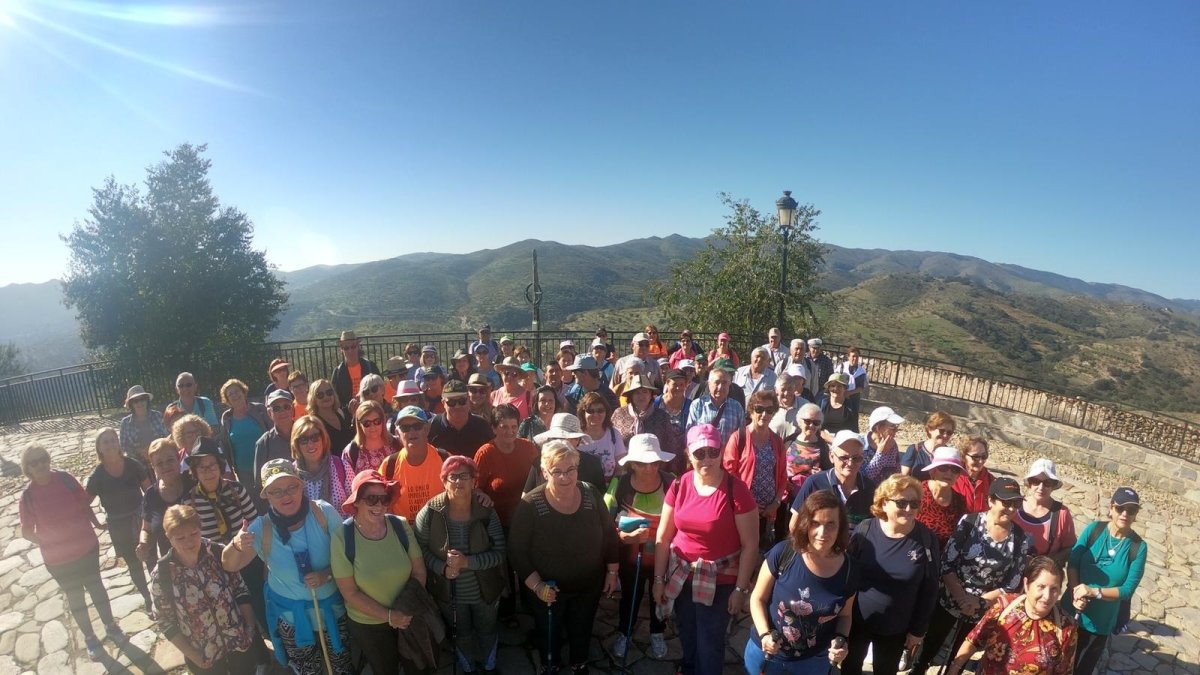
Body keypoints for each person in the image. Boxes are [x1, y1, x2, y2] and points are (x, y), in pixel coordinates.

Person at [222, 460, 353, 675]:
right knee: (307, 671)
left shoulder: (323, 512)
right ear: (267, 496)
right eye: (276, 491)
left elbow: (348, 555)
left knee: (341, 668)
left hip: (332, 613)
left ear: (301, 485)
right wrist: (235, 546)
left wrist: (326, 575)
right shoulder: (261, 527)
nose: (286, 495)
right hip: (292, 619)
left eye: (291, 487)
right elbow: (229, 564)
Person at [652, 424, 758, 675]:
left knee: (709, 643)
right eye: (700, 453)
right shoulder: (680, 485)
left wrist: (741, 589)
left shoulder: (736, 490)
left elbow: (750, 544)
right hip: (683, 575)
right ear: (688, 454)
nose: (707, 459)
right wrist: (659, 579)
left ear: (722, 451)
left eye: (713, 451)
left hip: (719, 580)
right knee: (687, 635)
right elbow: (663, 536)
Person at [509, 441, 620, 674]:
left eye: (570, 469)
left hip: (588, 583)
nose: (565, 477)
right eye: (557, 471)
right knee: (549, 632)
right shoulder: (531, 503)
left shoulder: (590, 493)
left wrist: (612, 570)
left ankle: (579, 662)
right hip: (548, 589)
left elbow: (609, 533)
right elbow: (517, 550)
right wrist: (537, 586)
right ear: (544, 472)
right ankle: (552, 663)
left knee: (582, 627)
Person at [909, 477, 1034, 675]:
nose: (1011, 509)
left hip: (982, 609)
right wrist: (961, 598)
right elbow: (947, 562)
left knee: (960, 656)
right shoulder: (970, 522)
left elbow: (1013, 582)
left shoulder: (1020, 538)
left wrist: (978, 602)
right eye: (1006, 503)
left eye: (1016, 504)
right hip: (950, 599)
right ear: (991, 500)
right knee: (930, 646)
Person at [20, 445, 127, 661]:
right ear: (27, 468)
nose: (40, 464)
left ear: (49, 458)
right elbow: (26, 531)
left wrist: (96, 523)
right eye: (34, 462)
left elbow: (84, 504)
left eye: (43, 458)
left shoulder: (66, 479)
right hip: (59, 561)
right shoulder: (28, 496)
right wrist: (48, 542)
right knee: (75, 597)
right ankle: (90, 638)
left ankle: (111, 626)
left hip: (86, 548)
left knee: (97, 589)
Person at [744, 490, 856, 674]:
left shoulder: (850, 570)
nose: (822, 533)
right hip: (767, 655)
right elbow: (757, 598)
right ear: (805, 524)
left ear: (841, 528)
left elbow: (845, 616)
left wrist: (841, 640)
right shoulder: (783, 553)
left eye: (831, 525)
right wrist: (765, 635)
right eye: (815, 523)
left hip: (812, 662)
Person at [330, 470, 428, 675]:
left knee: (418, 667)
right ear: (356, 501)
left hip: (408, 615)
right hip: (370, 625)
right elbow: (349, 592)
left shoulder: (399, 525)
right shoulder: (342, 536)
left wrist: (406, 610)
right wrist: (390, 616)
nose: (379, 505)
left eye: (383, 499)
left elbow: (419, 571)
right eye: (371, 499)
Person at [415, 456, 507, 674]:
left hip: (485, 590)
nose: (458, 482)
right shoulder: (430, 512)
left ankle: (489, 665)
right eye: (452, 477)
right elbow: (419, 551)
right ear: (443, 481)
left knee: (487, 629)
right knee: (461, 631)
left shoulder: (487, 512)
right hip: (449, 592)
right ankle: (467, 667)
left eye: (464, 476)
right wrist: (442, 568)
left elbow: (500, 553)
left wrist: (467, 562)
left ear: (474, 481)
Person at [841, 475, 941, 675]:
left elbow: (930, 589)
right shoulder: (865, 530)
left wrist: (918, 631)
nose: (909, 509)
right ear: (884, 503)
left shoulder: (926, 539)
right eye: (902, 502)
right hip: (858, 621)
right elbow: (847, 574)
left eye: (914, 503)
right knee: (849, 668)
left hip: (896, 628)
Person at [153, 504, 259, 673]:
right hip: (203, 655)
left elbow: (239, 589)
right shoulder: (163, 574)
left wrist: (249, 628)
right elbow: (164, 620)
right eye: (180, 538)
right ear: (168, 537)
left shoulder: (217, 553)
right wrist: (193, 656)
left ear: (200, 529)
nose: (189, 542)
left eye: (194, 533)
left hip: (238, 643)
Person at [603, 434, 676, 660]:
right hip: (629, 558)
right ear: (632, 463)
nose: (649, 468)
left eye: (654, 462)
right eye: (643, 463)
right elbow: (604, 524)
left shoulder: (672, 482)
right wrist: (622, 535)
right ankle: (625, 633)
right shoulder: (620, 484)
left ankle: (657, 632)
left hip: (663, 557)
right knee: (630, 597)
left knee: (660, 596)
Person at [945, 556, 1078, 675]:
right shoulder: (1005, 606)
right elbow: (974, 639)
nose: (1047, 596)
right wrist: (954, 668)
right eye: (1041, 587)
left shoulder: (1066, 629)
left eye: (1054, 589)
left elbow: (1064, 671)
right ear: (1027, 584)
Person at [1065, 487, 1147, 675]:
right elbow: (1073, 562)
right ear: (1111, 508)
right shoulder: (1094, 530)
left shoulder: (1138, 547)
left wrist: (1094, 592)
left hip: (1099, 622)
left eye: (1131, 510)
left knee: (1081, 669)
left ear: (1136, 514)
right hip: (1070, 610)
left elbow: (1127, 589)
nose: (1125, 513)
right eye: (1120, 508)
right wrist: (1075, 591)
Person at [86, 428, 153, 613]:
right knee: (134, 564)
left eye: (113, 440)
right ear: (99, 447)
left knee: (151, 557)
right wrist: (97, 524)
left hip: (141, 520)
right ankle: (147, 597)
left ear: (119, 443)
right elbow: (84, 503)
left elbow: (149, 491)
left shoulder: (133, 465)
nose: (110, 444)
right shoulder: (97, 476)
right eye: (105, 441)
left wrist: (151, 515)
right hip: (118, 526)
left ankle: (160, 593)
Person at [723, 390, 788, 550]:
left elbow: (782, 476)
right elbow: (728, 476)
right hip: (743, 510)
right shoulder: (739, 438)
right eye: (759, 409)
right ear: (751, 410)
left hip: (768, 513)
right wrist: (747, 501)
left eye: (769, 410)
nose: (764, 414)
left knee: (761, 554)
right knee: (742, 551)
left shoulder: (777, 441)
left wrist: (776, 502)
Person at [790, 429, 877, 528]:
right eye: (844, 457)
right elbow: (795, 524)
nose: (850, 463)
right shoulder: (815, 483)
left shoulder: (870, 489)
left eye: (856, 458)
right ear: (831, 456)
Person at [475, 404, 541, 529]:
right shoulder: (485, 453)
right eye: (504, 427)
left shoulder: (528, 447)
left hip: (528, 518)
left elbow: (541, 476)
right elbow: (475, 489)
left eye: (513, 427)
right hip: (497, 523)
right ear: (494, 429)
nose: (510, 432)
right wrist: (481, 495)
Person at [380, 406, 448, 521]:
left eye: (417, 426)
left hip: (439, 532)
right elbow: (380, 503)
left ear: (427, 429)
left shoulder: (445, 459)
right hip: (403, 534)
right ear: (397, 433)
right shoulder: (389, 465)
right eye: (405, 428)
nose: (412, 431)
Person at [611, 374, 683, 466]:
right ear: (631, 396)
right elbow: (611, 442)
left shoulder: (662, 416)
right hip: (625, 467)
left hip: (654, 468)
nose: (641, 396)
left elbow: (670, 446)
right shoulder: (619, 414)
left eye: (645, 392)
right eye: (637, 392)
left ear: (651, 394)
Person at [1015, 458, 1077, 564]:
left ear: (1053, 486)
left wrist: (1048, 563)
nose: (1041, 487)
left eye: (1047, 483)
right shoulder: (1014, 506)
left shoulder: (1061, 514)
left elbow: (1070, 548)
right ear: (1029, 483)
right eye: (1036, 481)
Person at [139, 438, 189, 567]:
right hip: (173, 567)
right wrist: (143, 544)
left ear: (179, 459)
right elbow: (146, 529)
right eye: (159, 463)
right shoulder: (151, 495)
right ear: (153, 466)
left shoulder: (194, 483)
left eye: (170, 460)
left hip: (205, 559)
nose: (166, 466)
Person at [527, 413, 606, 493]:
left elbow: (600, 498)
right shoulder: (539, 462)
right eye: (555, 438)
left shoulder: (592, 464)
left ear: (577, 440)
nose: (559, 442)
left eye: (563, 438)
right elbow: (526, 495)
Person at [292, 415, 352, 510]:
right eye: (303, 440)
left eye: (315, 437)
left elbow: (356, 505)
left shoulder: (342, 467)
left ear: (323, 438)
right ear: (296, 444)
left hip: (340, 524)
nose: (310, 444)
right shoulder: (291, 474)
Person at [219, 378, 271, 488]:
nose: (234, 395)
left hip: (267, 466)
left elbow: (272, 432)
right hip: (243, 471)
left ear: (244, 392)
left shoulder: (259, 409)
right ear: (227, 400)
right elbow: (225, 445)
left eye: (236, 391)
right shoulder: (226, 418)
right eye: (230, 394)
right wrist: (230, 471)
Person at [916, 446, 968, 548]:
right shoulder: (917, 492)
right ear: (933, 471)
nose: (949, 473)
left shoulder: (959, 501)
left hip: (944, 558)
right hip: (915, 553)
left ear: (958, 476)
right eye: (943, 468)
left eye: (955, 469)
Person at [431, 379, 496, 457]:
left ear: (468, 400)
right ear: (443, 403)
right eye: (451, 402)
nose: (457, 406)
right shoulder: (433, 426)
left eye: (462, 401)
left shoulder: (482, 426)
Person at [685, 368, 746, 447]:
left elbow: (742, 436)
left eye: (724, 383)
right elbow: (690, 434)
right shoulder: (697, 404)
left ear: (729, 385)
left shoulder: (736, 407)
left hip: (728, 457)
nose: (720, 387)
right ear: (709, 384)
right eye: (717, 382)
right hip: (705, 457)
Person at [254, 390, 298, 495]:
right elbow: (260, 483)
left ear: (292, 410)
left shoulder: (305, 434)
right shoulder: (264, 443)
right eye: (276, 408)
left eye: (286, 406)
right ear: (269, 413)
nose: (282, 411)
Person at [342, 399, 400, 473]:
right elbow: (347, 482)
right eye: (367, 423)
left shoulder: (397, 444)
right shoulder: (351, 451)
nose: (372, 427)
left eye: (377, 421)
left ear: (383, 420)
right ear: (359, 425)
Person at [578, 390, 625, 480]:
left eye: (600, 410)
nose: (596, 414)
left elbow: (620, 467)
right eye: (590, 411)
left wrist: (612, 488)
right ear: (583, 412)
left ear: (606, 412)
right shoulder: (575, 436)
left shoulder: (614, 434)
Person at [782, 402, 829, 484]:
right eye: (807, 421)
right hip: (787, 491)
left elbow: (828, 473)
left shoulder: (822, 446)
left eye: (816, 423)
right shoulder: (789, 441)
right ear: (799, 422)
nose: (811, 425)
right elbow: (779, 465)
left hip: (809, 492)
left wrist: (821, 474)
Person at [120, 384, 168, 463]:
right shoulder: (125, 423)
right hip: (137, 463)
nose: (140, 403)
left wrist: (153, 448)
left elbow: (167, 438)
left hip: (161, 458)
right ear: (131, 404)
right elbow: (123, 447)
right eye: (136, 401)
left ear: (147, 400)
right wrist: (138, 452)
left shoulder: (158, 416)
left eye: (142, 399)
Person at [331, 330, 380, 405]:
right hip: (348, 414)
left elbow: (380, 388)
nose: (350, 351)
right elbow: (335, 399)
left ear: (358, 347)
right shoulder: (338, 372)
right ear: (341, 350)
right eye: (346, 348)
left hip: (371, 408)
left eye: (353, 347)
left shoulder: (370, 366)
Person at [900, 411, 955, 479]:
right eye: (942, 431)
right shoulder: (914, 450)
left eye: (949, 432)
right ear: (930, 429)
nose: (945, 435)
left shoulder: (950, 455)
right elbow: (903, 479)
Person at [308, 378, 354, 456]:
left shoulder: (341, 413)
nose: (326, 397)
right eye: (320, 395)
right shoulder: (313, 423)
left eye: (329, 392)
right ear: (313, 399)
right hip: (332, 466)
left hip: (350, 462)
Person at [861, 406, 904, 484]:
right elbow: (863, 477)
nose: (896, 432)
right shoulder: (860, 444)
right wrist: (880, 454)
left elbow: (896, 473)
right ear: (878, 428)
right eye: (892, 428)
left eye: (897, 428)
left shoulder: (892, 445)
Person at [953, 436, 994, 513]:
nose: (980, 461)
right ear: (963, 456)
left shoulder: (991, 481)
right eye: (975, 457)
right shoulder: (953, 477)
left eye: (984, 456)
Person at [818, 373, 858, 439]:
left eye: (839, 386)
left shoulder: (851, 406)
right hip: (823, 442)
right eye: (832, 386)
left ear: (844, 388)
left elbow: (854, 430)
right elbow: (816, 426)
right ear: (828, 388)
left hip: (843, 443)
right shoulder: (822, 403)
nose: (836, 389)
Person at [837, 346, 869, 417]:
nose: (855, 358)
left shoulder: (861, 371)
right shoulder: (841, 368)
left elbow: (861, 387)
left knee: (852, 417)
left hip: (854, 398)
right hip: (841, 396)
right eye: (853, 356)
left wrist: (849, 393)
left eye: (857, 356)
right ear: (848, 357)